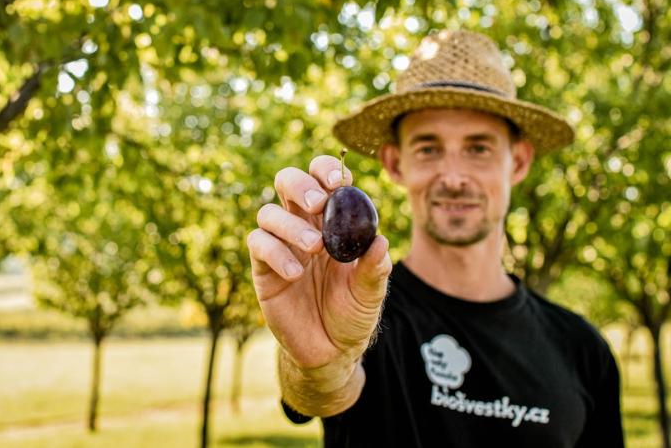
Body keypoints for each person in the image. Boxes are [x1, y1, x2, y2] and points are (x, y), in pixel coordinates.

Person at [246, 29, 624, 447]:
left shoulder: (582, 350)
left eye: (478, 149)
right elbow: (323, 390)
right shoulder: (357, 311)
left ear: (517, 162)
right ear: (395, 163)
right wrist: (321, 368)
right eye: (428, 148)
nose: (454, 178)